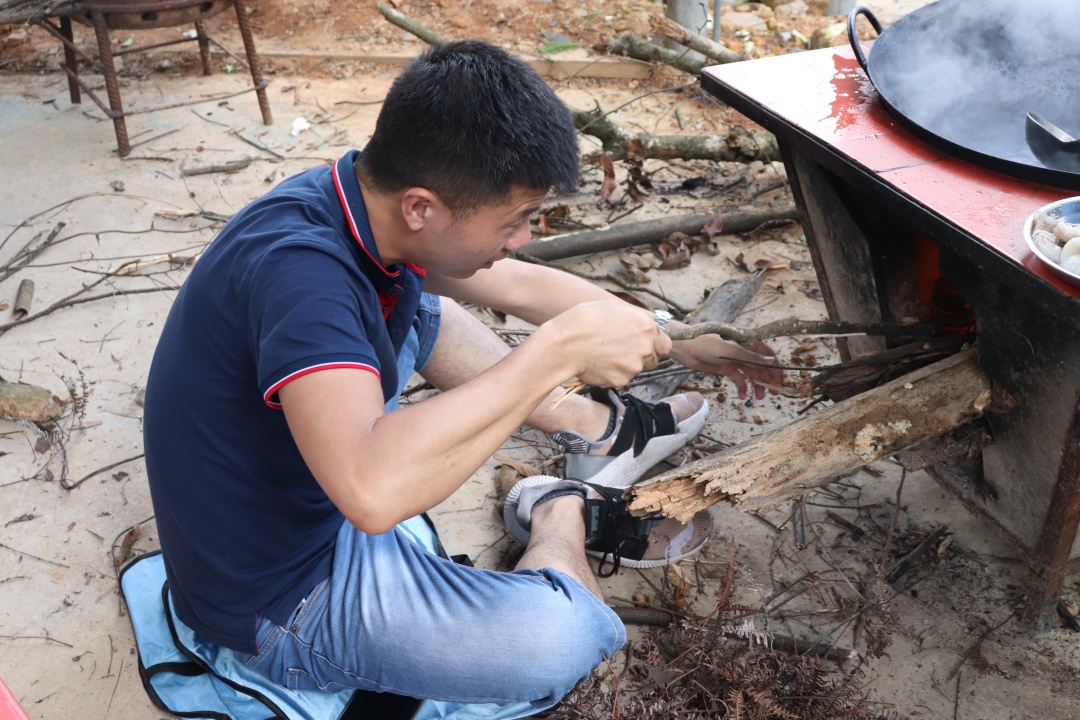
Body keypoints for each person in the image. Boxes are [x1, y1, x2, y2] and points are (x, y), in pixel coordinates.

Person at [143, 40, 780, 717]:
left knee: (419, 309)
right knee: (561, 638)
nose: (523, 236)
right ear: (422, 207)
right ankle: (560, 508)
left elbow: (519, 285)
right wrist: (556, 353)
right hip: (280, 597)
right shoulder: (304, 278)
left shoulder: (358, 201)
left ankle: (598, 432)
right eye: (515, 220)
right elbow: (372, 494)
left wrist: (680, 335)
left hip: (306, 498)